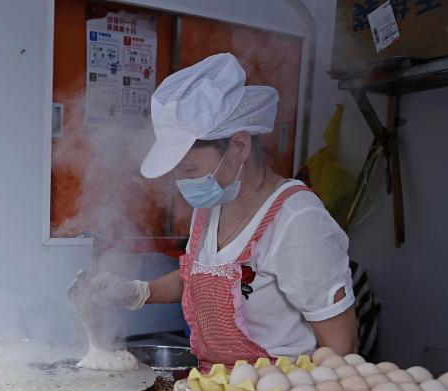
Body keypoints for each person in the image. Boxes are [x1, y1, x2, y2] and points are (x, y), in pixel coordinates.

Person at [88, 53, 357, 371]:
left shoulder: (297, 220)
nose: (181, 182)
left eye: (188, 168)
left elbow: (342, 348)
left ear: (240, 146)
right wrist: (139, 292)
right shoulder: (211, 205)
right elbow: (200, 277)